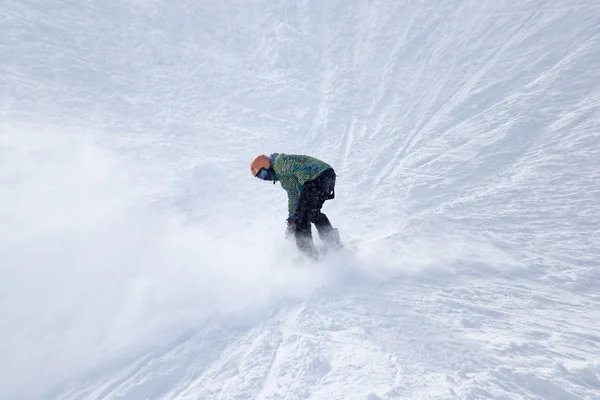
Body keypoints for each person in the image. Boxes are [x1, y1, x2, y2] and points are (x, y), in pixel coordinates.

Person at [251, 153, 342, 258]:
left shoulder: (279, 162)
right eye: (261, 178)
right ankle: (332, 241)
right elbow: (293, 196)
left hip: (318, 177)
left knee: (301, 216)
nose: (265, 178)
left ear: (266, 165)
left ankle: (307, 253)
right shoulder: (284, 178)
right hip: (326, 177)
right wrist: (291, 219)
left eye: (262, 174)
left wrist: (306, 185)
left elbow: (300, 168)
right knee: (312, 213)